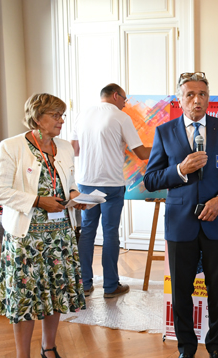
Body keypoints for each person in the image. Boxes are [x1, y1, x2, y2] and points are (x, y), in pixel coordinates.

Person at [143, 72, 218, 358]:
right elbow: (150, 180)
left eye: (202, 94)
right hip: (181, 224)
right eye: (190, 94)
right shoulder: (164, 132)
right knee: (181, 292)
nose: (197, 99)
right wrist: (179, 170)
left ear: (208, 98)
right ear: (180, 99)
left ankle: (216, 347)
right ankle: (186, 349)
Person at [0, 93, 87, 358]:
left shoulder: (65, 147)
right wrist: (36, 200)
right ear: (37, 118)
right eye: (56, 115)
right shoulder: (12, 146)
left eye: (63, 115)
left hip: (59, 235)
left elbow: (70, 184)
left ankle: (49, 349)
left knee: (55, 293)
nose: (61, 120)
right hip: (26, 237)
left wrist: (76, 198)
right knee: (25, 301)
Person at [71, 83, 151, 298]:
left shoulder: (82, 114)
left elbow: (74, 150)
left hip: (86, 182)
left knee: (87, 232)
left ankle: (84, 285)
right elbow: (142, 153)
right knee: (110, 232)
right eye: (124, 99)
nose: (125, 104)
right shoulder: (120, 117)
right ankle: (110, 286)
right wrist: (168, 146)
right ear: (116, 96)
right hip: (112, 185)